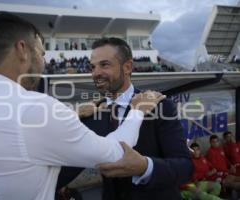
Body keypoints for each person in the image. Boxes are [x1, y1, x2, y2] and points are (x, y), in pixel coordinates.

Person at [0, 12, 164, 200]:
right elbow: (116, 155)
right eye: (41, 52)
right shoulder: (36, 108)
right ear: (22, 49)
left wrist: (73, 113)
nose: (44, 61)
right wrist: (137, 111)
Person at [57, 37, 193, 200]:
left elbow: (185, 167)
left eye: (104, 65)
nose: (96, 73)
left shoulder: (158, 105)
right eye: (93, 67)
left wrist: (145, 167)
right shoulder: (88, 113)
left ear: (127, 67)